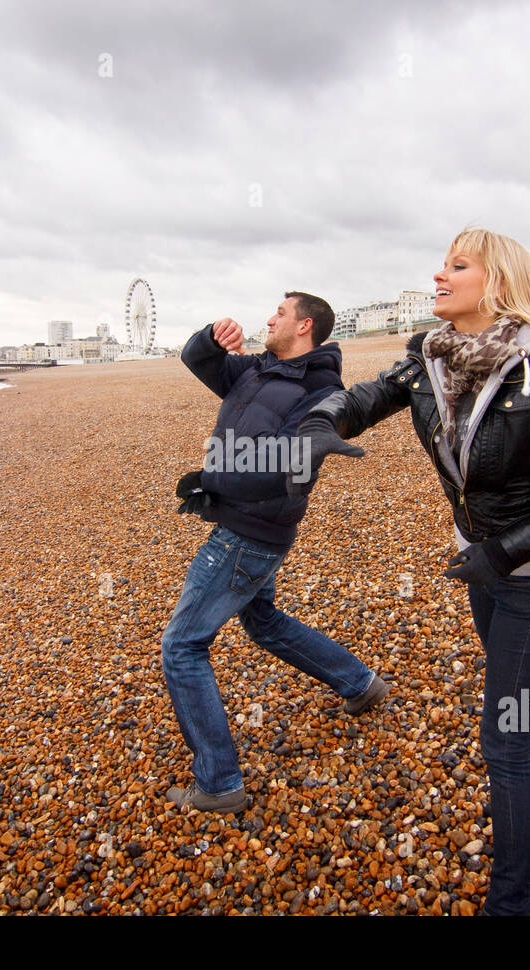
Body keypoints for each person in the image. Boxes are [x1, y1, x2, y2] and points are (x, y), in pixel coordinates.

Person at [296, 229, 530, 914]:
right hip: (481, 563)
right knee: (522, 690)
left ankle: (511, 903)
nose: (438, 276)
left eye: (456, 265)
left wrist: (503, 552)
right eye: (442, 263)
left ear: (494, 284)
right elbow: (363, 398)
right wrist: (323, 422)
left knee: (500, 736)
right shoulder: (429, 358)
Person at [161, 292, 391, 815]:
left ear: (305, 326)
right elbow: (196, 360)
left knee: (182, 647)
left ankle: (218, 784)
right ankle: (359, 683)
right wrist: (211, 335)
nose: (269, 318)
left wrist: (215, 478)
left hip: (247, 534)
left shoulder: (318, 390)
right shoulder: (256, 370)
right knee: (262, 621)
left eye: (280, 313)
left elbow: (292, 465)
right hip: (250, 529)